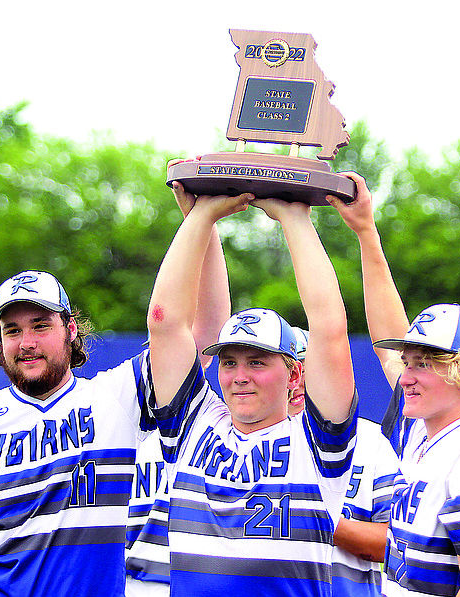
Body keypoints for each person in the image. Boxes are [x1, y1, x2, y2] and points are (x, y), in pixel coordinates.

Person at [146, 186, 357, 597]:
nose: (239, 376)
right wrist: (200, 218)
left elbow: (330, 330)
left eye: (257, 362)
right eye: (229, 362)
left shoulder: (318, 444)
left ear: (295, 374)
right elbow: (164, 320)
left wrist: (295, 220)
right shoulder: (193, 426)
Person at [328, 173, 460, 597]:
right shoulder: (423, 435)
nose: (407, 374)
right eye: (409, 362)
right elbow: (385, 343)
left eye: (426, 363)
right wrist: (364, 229)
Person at [0, 271, 155, 597]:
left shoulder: (117, 397)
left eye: (40, 325)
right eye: (12, 330)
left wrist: (200, 224)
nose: (26, 342)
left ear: (70, 329)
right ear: (0, 341)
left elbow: (190, 340)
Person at [124, 178, 230, 597]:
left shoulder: (192, 416)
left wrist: (202, 219)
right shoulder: (108, 397)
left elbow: (206, 330)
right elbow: (169, 327)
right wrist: (201, 218)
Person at [290, 327, 401, 597]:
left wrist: (315, 517)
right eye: (291, 371)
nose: (298, 381)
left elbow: (399, 544)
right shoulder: (243, 443)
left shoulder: (369, 440)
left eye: (308, 369)